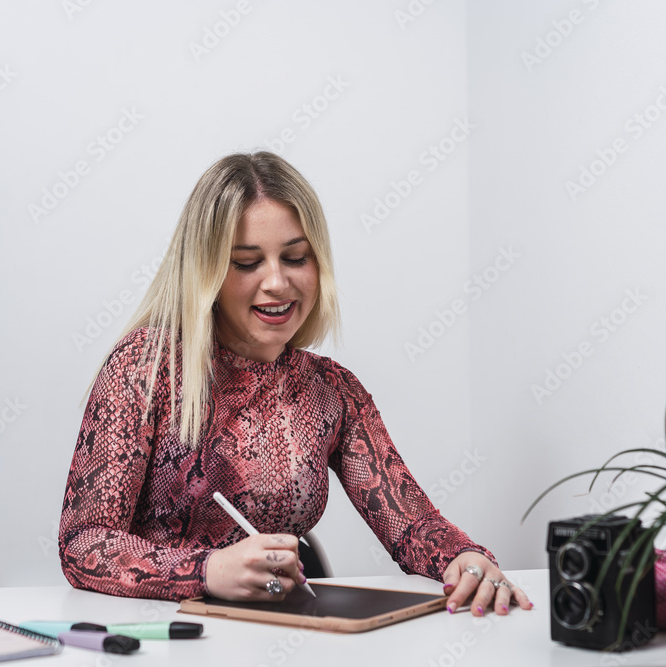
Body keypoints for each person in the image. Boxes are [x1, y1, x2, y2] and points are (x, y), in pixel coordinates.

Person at [58, 152, 532, 617]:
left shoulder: (331, 390)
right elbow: (83, 541)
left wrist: (462, 557)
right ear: (206, 274)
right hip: (163, 636)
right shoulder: (147, 367)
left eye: (296, 257)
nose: (277, 282)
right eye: (246, 263)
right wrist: (204, 571)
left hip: (281, 633)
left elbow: (412, 526)